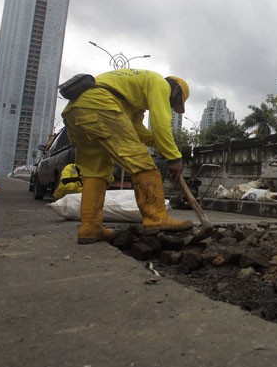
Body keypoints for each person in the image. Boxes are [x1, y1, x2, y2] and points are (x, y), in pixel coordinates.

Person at [62, 69, 194, 244]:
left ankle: (90, 227)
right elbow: (160, 124)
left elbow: (139, 133)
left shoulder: (134, 102)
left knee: (95, 171)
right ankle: (156, 218)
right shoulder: (161, 84)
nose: (170, 106)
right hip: (101, 104)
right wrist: (174, 157)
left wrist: (163, 145)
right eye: (174, 102)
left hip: (76, 110)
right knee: (142, 162)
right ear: (175, 90)